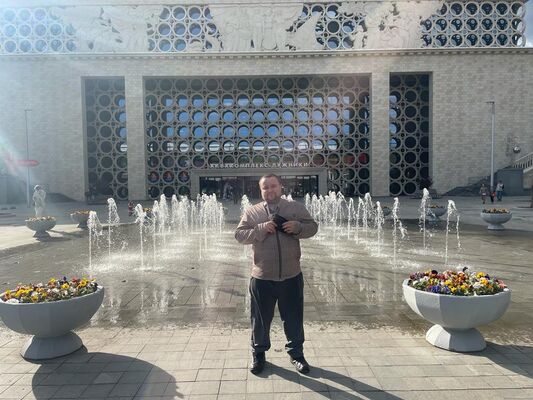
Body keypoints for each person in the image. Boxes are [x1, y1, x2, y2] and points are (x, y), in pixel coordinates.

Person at [235, 174, 318, 375]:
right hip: (262, 277)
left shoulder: (295, 208)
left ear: (281, 187)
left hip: (291, 275)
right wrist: (261, 229)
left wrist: (298, 227)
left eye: (273, 186)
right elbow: (239, 235)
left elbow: (313, 227)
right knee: (260, 320)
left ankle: (297, 354)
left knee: (294, 318)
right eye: (265, 187)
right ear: (261, 190)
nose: (270, 190)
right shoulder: (252, 212)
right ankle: (258, 354)